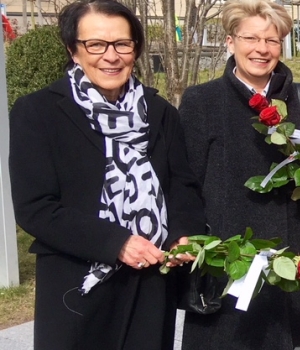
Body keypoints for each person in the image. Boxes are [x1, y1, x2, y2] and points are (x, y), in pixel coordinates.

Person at [8, 0, 206, 348]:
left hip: (151, 280)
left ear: (136, 49)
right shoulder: (39, 112)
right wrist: (117, 243)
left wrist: (183, 233)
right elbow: (35, 207)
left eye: (122, 44)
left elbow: (181, 185)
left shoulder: (158, 112)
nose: (110, 56)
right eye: (96, 45)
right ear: (74, 49)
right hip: (79, 282)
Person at [178, 0, 300, 349]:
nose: (262, 49)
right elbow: (186, 183)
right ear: (231, 42)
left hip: (293, 252)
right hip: (231, 258)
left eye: (272, 40)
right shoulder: (202, 102)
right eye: (251, 38)